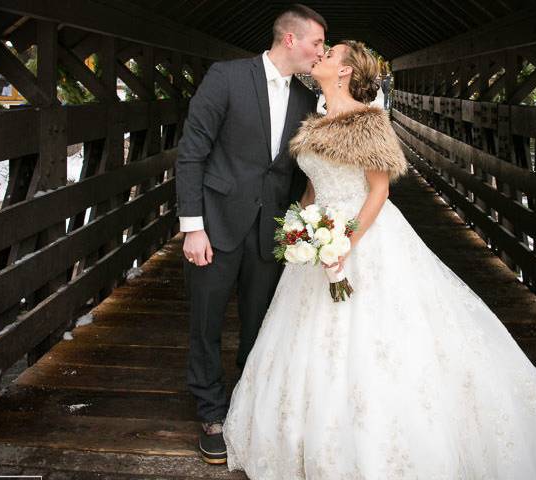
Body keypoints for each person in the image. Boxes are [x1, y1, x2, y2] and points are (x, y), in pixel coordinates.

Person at [222, 40, 536, 479]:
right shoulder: (312, 125)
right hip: (316, 247)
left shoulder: (369, 122)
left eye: (331, 53)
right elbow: (314, 187)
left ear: (346, 72)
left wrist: (345, 243)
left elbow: (378, 192)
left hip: (364, 239)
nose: (321, 56)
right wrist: (299, 228)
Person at [173, 4, 325, 465]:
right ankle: (212, 413)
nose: (321, 51)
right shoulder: (226, 77)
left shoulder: (304, 100)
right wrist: (192, 227)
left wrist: (304, 225)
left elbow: (298, 172)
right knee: (207, 323)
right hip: (215, 227)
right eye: (318, 42)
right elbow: (191, 153)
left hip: (271, 233)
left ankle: (248, 405)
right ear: (291, 40)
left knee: (260, 326)